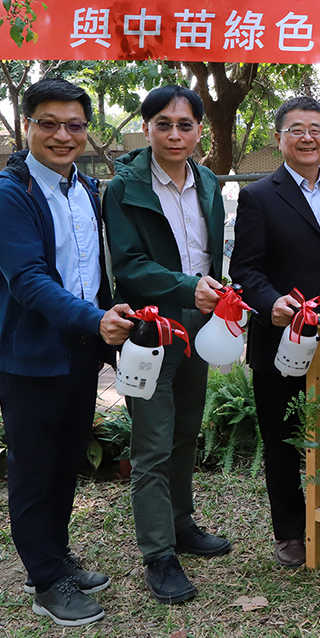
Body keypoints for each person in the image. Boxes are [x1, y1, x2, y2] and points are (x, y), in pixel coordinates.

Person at [0, 78, 134, 626]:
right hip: (31, 355)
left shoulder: (84, 190)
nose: (62, 134)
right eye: (48, 122)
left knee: (66, 459)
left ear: (86, 131)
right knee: (34, 467)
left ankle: (55, 557)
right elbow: (30, 281)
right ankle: (45, 579)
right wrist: (96, 319)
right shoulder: (8, 196)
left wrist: (106, 329)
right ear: (27, 127)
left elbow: (94, 274)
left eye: (74, 124)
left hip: (80, 351)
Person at [102, 85, 231, 605]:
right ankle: (159, 554)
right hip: (150, 329)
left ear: (199, 129)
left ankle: (181, 525)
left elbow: (211, 253)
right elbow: (128, 265)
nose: (175, 134)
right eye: (163, 124)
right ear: (147, 128)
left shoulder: (207, 181)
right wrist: (186, 288)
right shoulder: (124, 188)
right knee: (152, 445)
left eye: (185, 124)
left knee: (185, 433)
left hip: (199, 325)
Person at [229, 96, 320, 567]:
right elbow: (245, 270)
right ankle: (290, 529)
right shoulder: (259, 196)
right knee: (284, 435)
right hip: (281, 338)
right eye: (296, 129)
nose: (307, 137)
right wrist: (272, 304)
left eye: (316, 129)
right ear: (279, 138)